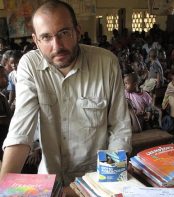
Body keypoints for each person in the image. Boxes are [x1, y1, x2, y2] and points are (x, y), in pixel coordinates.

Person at [0, 0, 132, 184]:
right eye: (46, 37)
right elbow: (21, 130)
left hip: (95, 179)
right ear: (36, 41)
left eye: (63, 33)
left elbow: (119, 127)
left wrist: (109, 183)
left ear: (77, 32)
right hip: (49, 180)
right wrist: (2, 191)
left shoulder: (106, 63)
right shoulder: (30, 65)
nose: (57, 46)